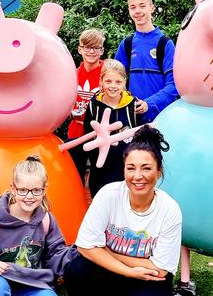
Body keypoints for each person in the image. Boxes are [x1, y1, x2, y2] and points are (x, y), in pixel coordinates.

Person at [64, 125, 182, 296]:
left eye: (146, 168)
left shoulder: (169, 210)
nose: (137, 176)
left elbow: (161, 269)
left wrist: (107, 251)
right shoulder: (108, 194)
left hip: (145, 278)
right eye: (131, 168)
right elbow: (85, 248)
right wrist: (128, 271)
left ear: (158, 172)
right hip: (111, 269)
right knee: (77, 271)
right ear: (124, 170)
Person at [0, 156, 78, 296]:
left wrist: (79, 250)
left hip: (32, 282)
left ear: (44, 190)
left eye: (36, 190)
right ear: (13, 189)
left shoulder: (46, 220)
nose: (29, 196)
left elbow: (56, 255)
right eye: (23, 190)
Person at [115, 0, 178, 122]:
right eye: (133, 7)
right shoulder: (126, 44)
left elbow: (174, 85)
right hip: (131, 120)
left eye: (142, 6)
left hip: (161, 119)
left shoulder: (165, 44)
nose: (137, 11)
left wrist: (148, 104)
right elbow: (114, 81)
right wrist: (128, 102)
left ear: (152, 8)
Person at [83, 59, 142, 197]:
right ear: (101, 81)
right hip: (100, 169)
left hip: (126, 168)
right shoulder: (94, 105)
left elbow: (141, 136)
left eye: (118, 82)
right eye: (108, 81)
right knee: (100, 202)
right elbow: (87, 134)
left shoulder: (133, 105)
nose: (113, 86)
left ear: (124, 82)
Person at [66, 28, 105, 184]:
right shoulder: (71, 73)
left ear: (102, 50)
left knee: (99, 178)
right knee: (74, 178)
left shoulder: (107, 75)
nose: (91, 52)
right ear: (79, 49)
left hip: (100, 135)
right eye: (87, 47)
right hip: (75, 133)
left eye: (96, 48)